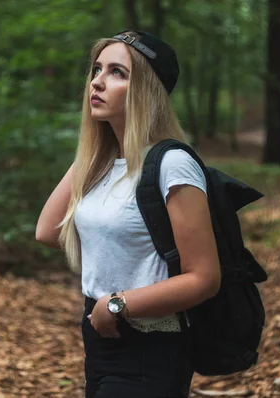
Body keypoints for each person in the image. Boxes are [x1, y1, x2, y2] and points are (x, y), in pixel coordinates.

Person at [35, 30, 221, 398]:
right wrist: (93, 152)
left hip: (151, 347)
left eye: (117, 72)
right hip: (99, 340)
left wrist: (117, 304)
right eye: (97, 69)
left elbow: (204, 277)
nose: (98, 82)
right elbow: (47, 230)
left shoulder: (173, 164)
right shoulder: (103, 163)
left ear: (146, 91)